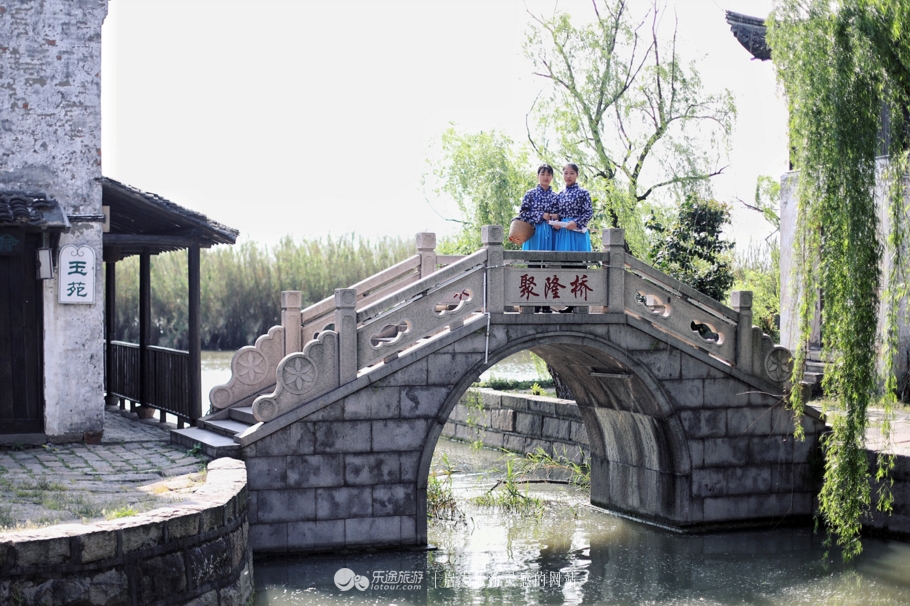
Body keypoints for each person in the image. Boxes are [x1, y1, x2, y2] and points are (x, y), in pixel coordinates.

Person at [517, 164, 559, 252]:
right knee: (533, 263)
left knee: (550, 262)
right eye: (543, 174)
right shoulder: (530, 194)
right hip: (533, 232)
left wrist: (555, 221)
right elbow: (523, 214)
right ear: (537, 176)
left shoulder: (556, 196)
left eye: (548, 174)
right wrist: (541, 215)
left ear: (552, 177)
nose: (545, 177)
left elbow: (558, 215)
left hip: (550, 233)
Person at [553, 163, 593, 252]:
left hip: (577, 231)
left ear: (577, 175)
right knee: (562, 263)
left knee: (579, 262)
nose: (568, 176)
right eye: (566, 173)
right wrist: (556, 224)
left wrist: (576, 222)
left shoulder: (583, 193)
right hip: (563, 232)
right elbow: (557, 214)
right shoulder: (560, 194)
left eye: (572, 173)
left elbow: (589, 212)